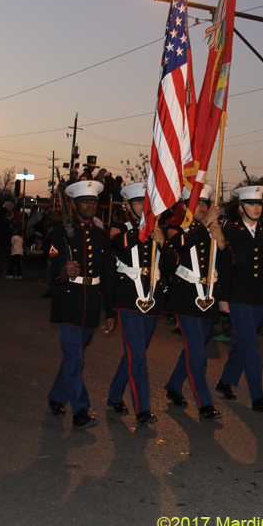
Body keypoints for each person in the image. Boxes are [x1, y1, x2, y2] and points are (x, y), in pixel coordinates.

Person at [46, 180, 116, 429]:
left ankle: (56, 396)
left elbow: (108, 276)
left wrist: (110, 312)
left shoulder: (101, 236)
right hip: (67, 301)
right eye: (85, 201)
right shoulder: (60, 232)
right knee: (75, 357)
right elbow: (53, 270)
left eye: (94, 201)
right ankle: (80, 410)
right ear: (74, 205)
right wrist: (64, 270)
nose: (90, 205)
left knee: (74, 357)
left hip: (91, 302)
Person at [216, 185, 263, 412]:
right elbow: (224, 267)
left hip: (258, 295)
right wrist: (222, 297)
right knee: (250, 345)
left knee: (243, 341)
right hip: (237, 296)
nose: (256, 208)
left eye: (258, 204)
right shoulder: (231, 231)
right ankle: (257, 397)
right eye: (251, 204)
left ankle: (225, 381)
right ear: (241, 208)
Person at [106, 182, 171, 425]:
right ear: (128, 206)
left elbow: (172, 262)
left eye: (147, 204)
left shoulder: (157, 229)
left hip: (151, 298)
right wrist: (145, 228)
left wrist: (162, 240)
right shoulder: (118, 228)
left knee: (136, 353)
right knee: (138, 357)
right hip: (127, 298)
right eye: (138, 203)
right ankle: (143, 408)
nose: (143, 208)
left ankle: (114, 394)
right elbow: (120, 245)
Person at [162, 185, 227, 421]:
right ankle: (205, 402)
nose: (202, 207)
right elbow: (180, 246)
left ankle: (173, 385)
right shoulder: (175, 227)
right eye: (197, 203)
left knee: (194, 347)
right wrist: (205, 225)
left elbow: (228, 264)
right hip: (185, 297)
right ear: (186, 206)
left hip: (208, 296)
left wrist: (221, 241)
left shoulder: (214, 227)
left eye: (205, 203)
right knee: (198, 352)